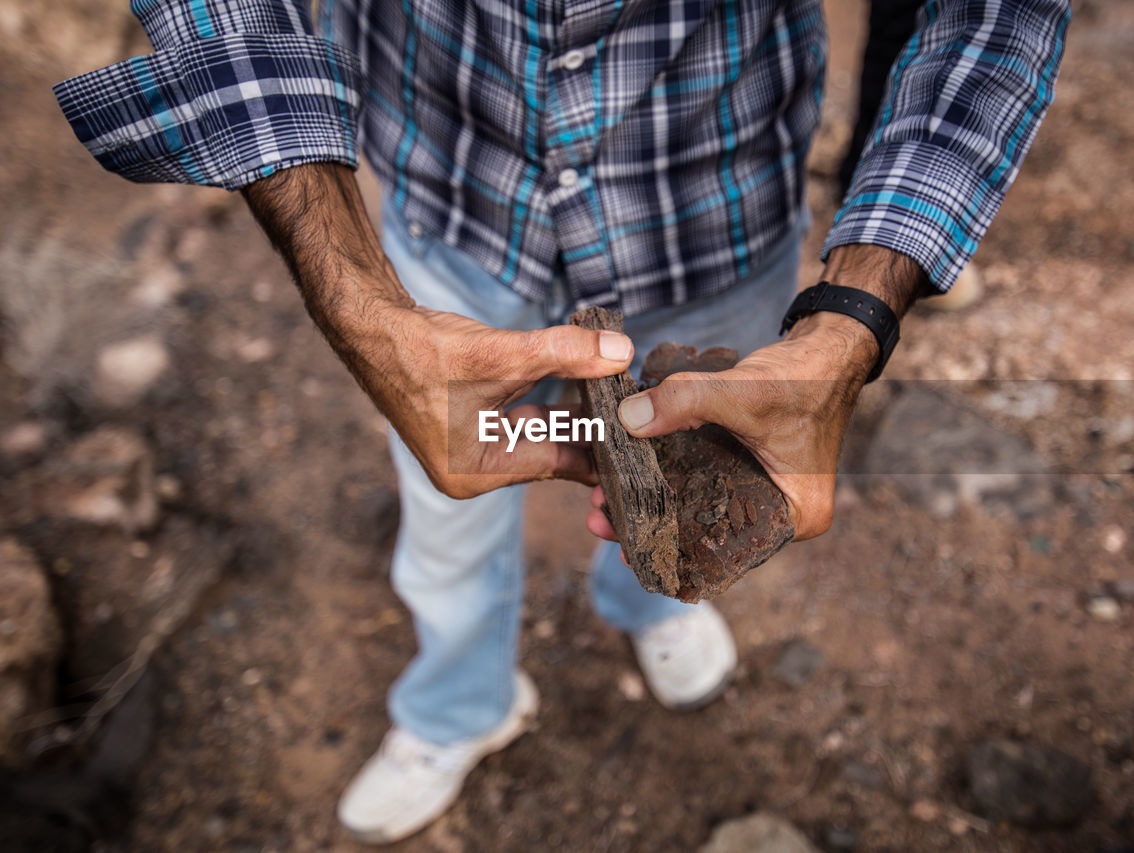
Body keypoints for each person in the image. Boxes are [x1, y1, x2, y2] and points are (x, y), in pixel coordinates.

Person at [55, 0, 1070, 843]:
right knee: (447, 500)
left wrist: (852, 314)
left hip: (714, 211)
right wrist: (359, 300)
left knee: (686, 478)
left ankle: (652, 607)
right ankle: (457, 701)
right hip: (448, 212)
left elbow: (991, 14)